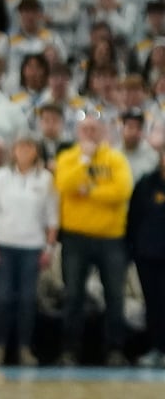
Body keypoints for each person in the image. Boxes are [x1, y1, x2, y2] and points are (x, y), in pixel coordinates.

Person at [53, 117, 135, 366]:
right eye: (85, 129)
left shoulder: (116, 159)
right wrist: (85, 160)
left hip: (111, 239)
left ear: (104, 132)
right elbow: (64, 184)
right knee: (74, 295)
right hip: (76, 238)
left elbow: (121, 191)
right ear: (78, 132)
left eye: (94, 129)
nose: (90, 133)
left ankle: (115, 350)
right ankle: (70, 350)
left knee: (115, 296)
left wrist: (88, 191)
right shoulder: (68, 157)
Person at [0, 134, 58, 366]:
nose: (24, 151)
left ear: (36, 151)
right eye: (20, 147)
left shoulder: (45, 180)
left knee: (27, 299)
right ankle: (0, 347)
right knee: (3, 298)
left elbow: (52, 218)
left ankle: (24, 348)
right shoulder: (1, 177)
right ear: (13, 151)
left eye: (29, 147)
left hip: (32, 248)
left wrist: (49, 248)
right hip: (4, 246)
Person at [128, 134, 165, 367]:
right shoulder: (146, 183)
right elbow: (134, 217)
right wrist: (135, 248)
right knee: (153, 304)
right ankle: (156, 348)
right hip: (149, 255)